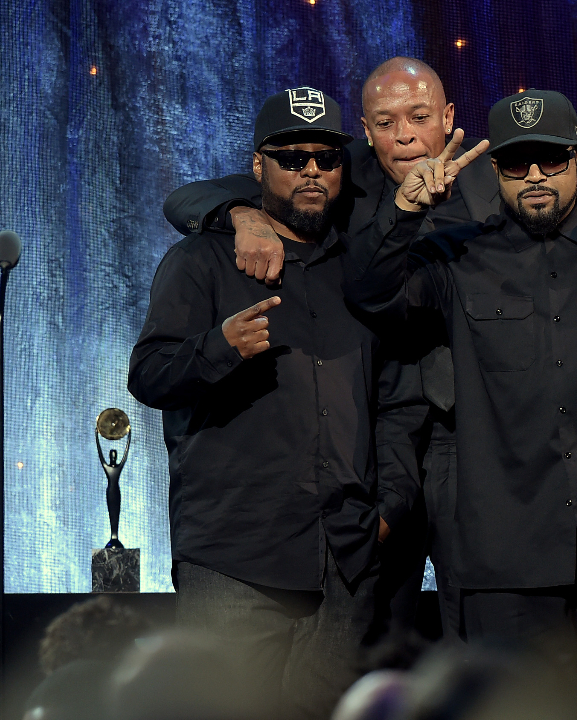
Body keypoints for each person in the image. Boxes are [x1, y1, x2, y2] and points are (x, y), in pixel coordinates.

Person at [161, 57, 577, 641]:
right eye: (386, 122)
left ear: (448, 117)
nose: (404, 135)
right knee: (376, 623)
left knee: (475, 612)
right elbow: (191, 197)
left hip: (475, 435)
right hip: (376, 436)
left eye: (419, 117)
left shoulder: (498, 170)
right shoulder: (338, 174)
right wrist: (242, 215)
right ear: (365, 130)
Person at [342, 89, 577, 667]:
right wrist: (404, 211)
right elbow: (369, 292)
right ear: (496, 171)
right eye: (517, 163)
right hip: (509, 550)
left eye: (551, 159)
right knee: (518, 707)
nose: (535, 176)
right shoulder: (455, 257)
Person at [128, 87, 426, 719]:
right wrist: (220, 347)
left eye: (326, 158)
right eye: (292, 159)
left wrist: (390, 507)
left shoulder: (362, 270)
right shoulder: (203, 260)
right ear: (258, 166)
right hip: (236, 556)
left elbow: (397, 398)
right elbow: (149, 376)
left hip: (345, 555)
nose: (311, 171)